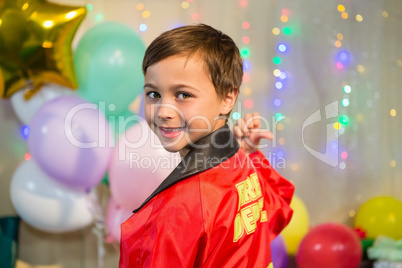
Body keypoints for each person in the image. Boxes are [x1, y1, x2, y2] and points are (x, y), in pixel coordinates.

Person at [119, 24, 294, 268]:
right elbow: (278, 211)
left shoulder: (177, 210)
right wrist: (249, 155)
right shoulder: (241, 164)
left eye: (183, 95)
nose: (163, 112)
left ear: (227, 98)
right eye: (154, 94)